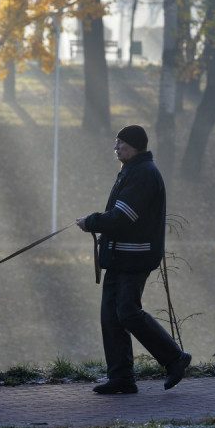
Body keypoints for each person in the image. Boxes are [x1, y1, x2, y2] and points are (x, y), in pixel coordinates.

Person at [77, 125, 191, 394]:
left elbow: (122, 216)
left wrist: (92, 222)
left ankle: (175, 358)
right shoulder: (131, 170)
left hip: (135, 255)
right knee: (110, 316)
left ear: (135, 146)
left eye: (121, 144)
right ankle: (121, 378)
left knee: (127, 311)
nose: (116, 148)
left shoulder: (143, 174)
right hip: (120, 255)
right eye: (116, 143)